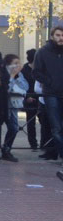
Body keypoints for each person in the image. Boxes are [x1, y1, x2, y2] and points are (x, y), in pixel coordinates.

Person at [33, 26, 63, 172]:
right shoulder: (43, 52)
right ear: (52, 36)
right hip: (51, 93)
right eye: (58, 35)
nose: (61, 38)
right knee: (56, 127)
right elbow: (36, 72)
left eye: (62, 35)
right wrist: (49, 82)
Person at [1, 54, 28, 162]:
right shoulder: (3, 73)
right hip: (3, 104)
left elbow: (25, 86)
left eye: (18, 63)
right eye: (15, 63)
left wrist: (17, 77)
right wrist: (11, 77)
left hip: (13, 105)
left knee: (14, 128)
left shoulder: (19, 74)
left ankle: (6, 149)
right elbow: (6, 88)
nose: (17, 66)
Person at [22, 49, 39, 151]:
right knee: (30, 122)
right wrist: (26, 97)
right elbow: (21, 84)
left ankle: (45, 143)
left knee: (44, 121)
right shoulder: (24, 69)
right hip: (29, 98)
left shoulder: (40, 68)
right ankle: (33, 144)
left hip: (40, 97)